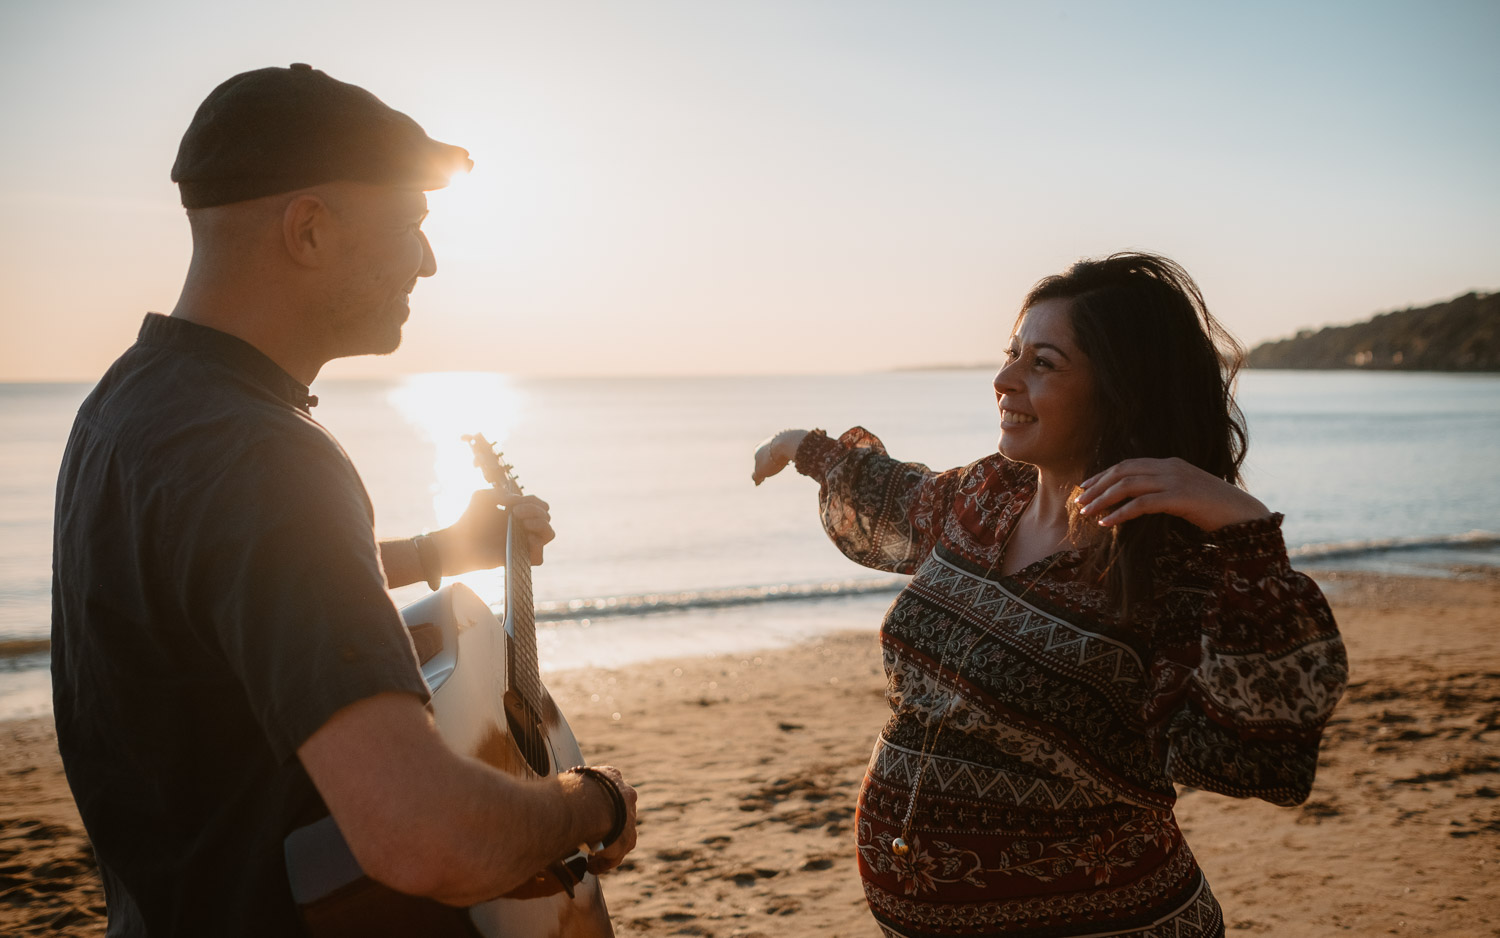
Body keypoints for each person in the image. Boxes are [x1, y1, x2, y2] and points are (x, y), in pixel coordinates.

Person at [51, 64, 637, 936]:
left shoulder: (129, 406)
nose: (428, 262)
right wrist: (594, 802)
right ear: (310, 230)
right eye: (410, 226)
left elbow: (231, 591)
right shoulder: (264, 455)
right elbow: (426, 838)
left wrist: (438, 552)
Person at [750, 253, 1346, 938]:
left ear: (1122, 391)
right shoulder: (986, 495)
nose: (1004, 380)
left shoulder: (1172, 569)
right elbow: (895, 496)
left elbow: (1266, 749)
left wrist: (1245, 525)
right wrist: (801, 446)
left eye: (1043, 363)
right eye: (1012, 354)